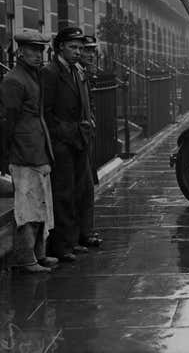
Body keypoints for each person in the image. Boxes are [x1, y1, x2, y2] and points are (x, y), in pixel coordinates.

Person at [0, 29, 58, 272]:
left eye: (41, 50)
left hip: (37, 148)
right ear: (21, 52)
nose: (38, 55)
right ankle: (25, 260)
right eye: (32, 50)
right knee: (27, 207)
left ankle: (38, 254)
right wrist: (5, 154)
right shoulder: (14, 80)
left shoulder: (32, 76)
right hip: (23, 152)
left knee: (41, 204)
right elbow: (6, 120)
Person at [42, 27, 93, 262]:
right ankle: (61, 246)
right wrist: (63, 133)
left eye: (80, 48)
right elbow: (47, 112)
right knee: (63, 194)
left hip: (78, 139)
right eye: (73, 47)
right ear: (60, 46)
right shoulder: (51, 72)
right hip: (62, 142)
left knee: (78, 191)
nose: (78, 51)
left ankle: (73, 240)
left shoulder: (76, 70)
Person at [76, 34, 102, 247]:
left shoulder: (86, 74)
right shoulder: (76, 73)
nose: (90, 55)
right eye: (86, 51)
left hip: (86, 137)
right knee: (80, 187)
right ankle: (81, 233)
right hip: (76, 138)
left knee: (88, 187)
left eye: (92, 51)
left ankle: (87, 231)